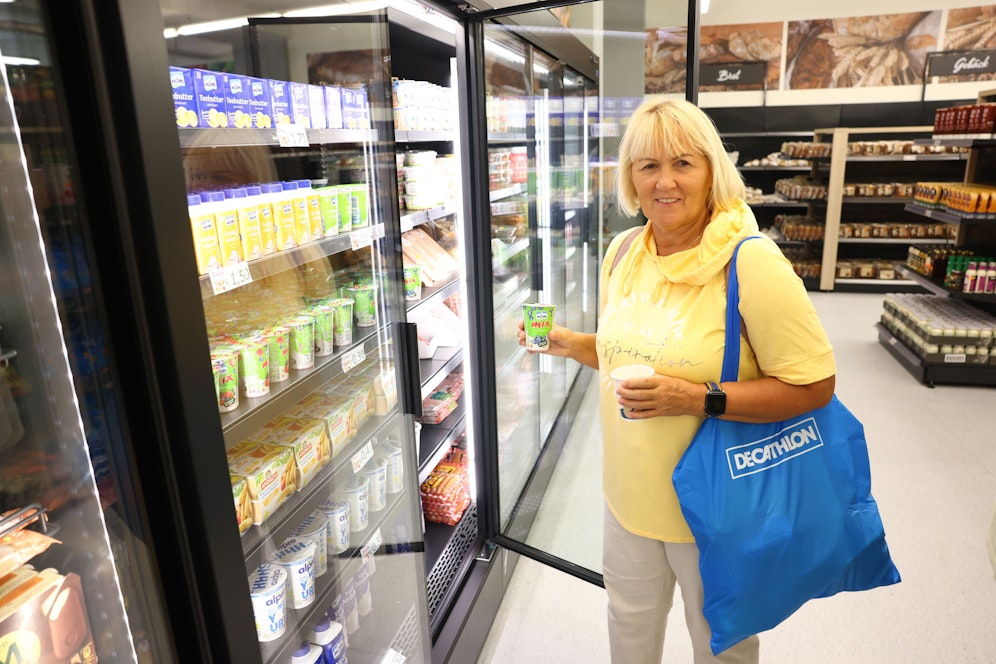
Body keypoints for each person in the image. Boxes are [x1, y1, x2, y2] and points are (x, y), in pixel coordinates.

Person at [518, 98, 837, 663]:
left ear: (711, 170)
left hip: (717, 502)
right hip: (628, 496)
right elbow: (629, 352)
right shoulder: (622, 254)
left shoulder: (751, 262)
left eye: (683, 164)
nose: (664, 182)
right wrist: (570, 344)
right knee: (630, 625)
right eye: (647, 166)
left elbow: (814, 386)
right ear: (630, 178)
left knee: (722, 643)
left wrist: (695, 398)